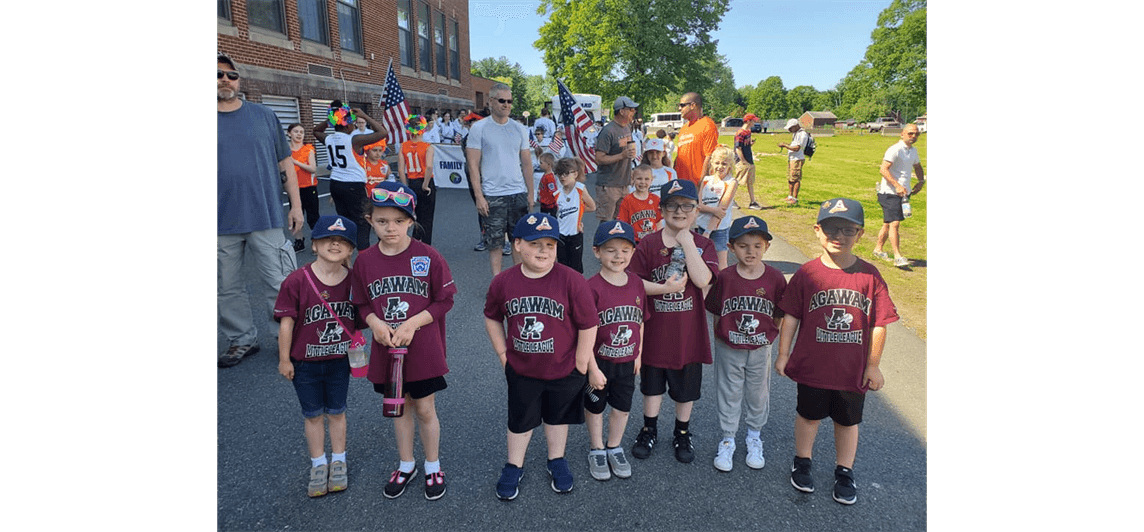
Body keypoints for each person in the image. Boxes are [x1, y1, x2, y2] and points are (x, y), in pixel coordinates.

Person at [775, 198, 899, 506]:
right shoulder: (807, 273)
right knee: (808, 416)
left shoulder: (869, 277)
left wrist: (873, 365)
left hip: (852, 369)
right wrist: (782, 353)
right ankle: (802, 461)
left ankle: (844, 470)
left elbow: (879, 324)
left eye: (847, 229)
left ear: (860, 234)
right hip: (814, 364)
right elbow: (791, 315)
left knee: (847, 421)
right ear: (817, 230)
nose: (838, 235)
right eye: (831, 227)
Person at [352, 182, 457, 501]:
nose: (390, 228)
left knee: (424, 407)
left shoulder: (428, 256)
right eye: (382, 221)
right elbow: (361, 304)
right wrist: (373, 322)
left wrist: (413, 322)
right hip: (387, 349)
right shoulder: (365, 261)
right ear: (370, 221)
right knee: (399, 409)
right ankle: (406, 463)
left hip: (422, 348)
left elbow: (445, 300)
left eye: (398, 221)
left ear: (411, 220)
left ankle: (433, 464)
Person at [484, 213, 598, 500]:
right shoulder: (504, 282)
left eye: (550, 244)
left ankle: (556, 459)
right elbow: (492, 317)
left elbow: (588, 323)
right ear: (518, 244)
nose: (544, 250)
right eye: (536, 244)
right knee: (520, 419)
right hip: (522, 369)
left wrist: (582, 361)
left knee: (557, 417)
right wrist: (502, 353)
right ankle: (514, 464)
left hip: (564, 368)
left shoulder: (571, 280)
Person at [217, 52, 305, 368]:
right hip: (219, 221)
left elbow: (286, 164)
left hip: (265, 214)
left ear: (239, 81)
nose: (225, 80)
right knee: (226, 288)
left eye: (231, 75)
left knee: (279, 282)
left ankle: (290, 338)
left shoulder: (264, 116)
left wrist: (296, 205)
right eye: (218, 74)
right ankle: (242, 340)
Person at [628, 179, 718, 464]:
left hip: (687, 334)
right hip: (655, 330)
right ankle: (649, 428)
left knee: (684, 389)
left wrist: (687, 241)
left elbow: (703, 280)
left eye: (687, 207)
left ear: (695, 210)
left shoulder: (703, 244)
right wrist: (664, 289)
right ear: (662, 209)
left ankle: (682, 431)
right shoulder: (648, 244)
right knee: (652, 387)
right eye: (672, 206)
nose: (679, 212)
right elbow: (633, 284)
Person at [273, 214, 360, 497]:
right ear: (314, 245)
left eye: (343, 241)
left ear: (350, 250)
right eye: (327, 239)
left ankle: (339, 460)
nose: (334, 244)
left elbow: (364, 317)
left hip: (338, 361)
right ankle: (318, 463)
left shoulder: (353, 282)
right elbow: (286, 323)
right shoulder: (297, 280)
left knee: (337, 412)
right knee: (312, 416)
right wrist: (284, 359)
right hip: (305, 363)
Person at [703, 215, 786, 473]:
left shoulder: (775, 278)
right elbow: (717, 309)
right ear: (730, 247)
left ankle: (753, 435)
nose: (750, 251)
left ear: (767, 247)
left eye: (757, 245)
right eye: (743, 246)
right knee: (728, 391)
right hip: (729, 346)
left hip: (760, 346)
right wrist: (721, 335)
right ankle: (728, 437)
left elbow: (779, 314)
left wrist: (770, 337)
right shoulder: (725, 277)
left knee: (757, 393)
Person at [584, 221, 649, 481]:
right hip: (599, 361)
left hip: (627, 361)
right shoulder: (590, 288)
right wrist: (591, 368)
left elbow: (640, 322)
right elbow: (584, 332)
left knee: (622, 408)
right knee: (596, 407)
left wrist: (639, 354)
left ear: (633, 252)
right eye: (610, 250)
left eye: (625, 249)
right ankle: (597, 447)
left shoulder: (636, 284)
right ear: (597, 252)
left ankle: (614, 445)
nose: (618, 256)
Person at [466, 83, 535, 276]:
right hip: (493, 194)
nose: (506, 105)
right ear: (491, 102)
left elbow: (527, 163)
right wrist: (479, 196)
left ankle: (517, 281)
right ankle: (498, 283)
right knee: (495, 243)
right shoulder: (479, 128)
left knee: (518, 241)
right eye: (502, 100)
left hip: (518, 193)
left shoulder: (520, 129)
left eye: (510, 101)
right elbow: (473, 165)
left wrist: (531, 193)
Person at [313, 101, 388, 251]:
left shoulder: (329, 139)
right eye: (352, 123)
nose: (354, 126)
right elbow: (382, 133)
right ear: (347, 126)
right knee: (362, 222)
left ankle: (345, 254)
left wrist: (331, 119)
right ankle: (364, 257)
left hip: (335, 183)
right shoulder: (354, 140)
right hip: (353, 184)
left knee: (345, 221)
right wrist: (364, 115)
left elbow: (316, 130)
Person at [872, 124, 925, 268]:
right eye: (910, 133)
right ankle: (897, 256)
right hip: (889, 193)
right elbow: (883, 169)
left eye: (916, 134)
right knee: (894, 223)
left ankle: (878, 249)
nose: (913, 136)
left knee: (888, 223)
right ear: (902, 134)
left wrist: (921, 182)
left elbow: (918, 167)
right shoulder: (895, 150)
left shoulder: (913, 151)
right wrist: (896, 186)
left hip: (904, 193)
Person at [695, 145, 744, 270]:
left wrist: (708, 232)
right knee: (703, 260)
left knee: (721, 263)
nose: (720, 167)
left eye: (724, 164)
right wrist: (713, 210)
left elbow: (722, 210)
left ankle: (723, 286)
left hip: (719, 229)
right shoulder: (706, 180)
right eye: (717, 163)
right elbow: (698, 205)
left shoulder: (731, 182)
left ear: (730, 165)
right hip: (702, 225)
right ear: (712, 163)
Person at [594, 96, 640, 222]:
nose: (634, 112)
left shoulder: (627, 127)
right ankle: (600, 243)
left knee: (621, 221)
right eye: (631, 109)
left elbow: (626, 150)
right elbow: (599, 158)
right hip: (608, 185)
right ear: (622, 111)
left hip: (624, 184)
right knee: (606, 223)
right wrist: (622, 156)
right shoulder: (608, 131)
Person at [398, 115, 438, 245]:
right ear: (423, 129)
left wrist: (406, 187)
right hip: (424, 182)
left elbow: (400, 170)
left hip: (412, 182)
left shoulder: (403, 146)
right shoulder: (428, 147)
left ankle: (414, 243)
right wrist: (426, 185)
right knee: (427, 218)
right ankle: (425, 247)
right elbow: (429, 166)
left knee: (415, 217)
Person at [553, 157, 596, 273]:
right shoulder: (557, 194)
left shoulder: (580, 189)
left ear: (575, 174)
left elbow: (592, 207)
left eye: (566, 173)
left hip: (575, 234)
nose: (562, 177)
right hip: (560, 235)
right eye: (559, 174)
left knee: (576, 266)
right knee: (562, 265)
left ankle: (577, 289)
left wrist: (579, 213)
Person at [673, 93, 718, 187]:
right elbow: (679, 156)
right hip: (680, 183)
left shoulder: (707, 125)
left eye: (682, 105)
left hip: (696, 184)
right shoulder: (684, 128)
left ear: (693, 105)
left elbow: (709, 157)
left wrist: (701, 185)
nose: (679, 109)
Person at [287, 123, 320, 252]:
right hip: (293, 188)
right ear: (289, 133)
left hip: (308, 187)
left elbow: (312, 168)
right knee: (295, 216)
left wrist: (295, 162)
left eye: (302, 132)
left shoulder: (308, 149)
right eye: (296, 131)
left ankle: (316, 242)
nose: (299, 134)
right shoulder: (286, 151)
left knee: (313, 216)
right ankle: (299, 241)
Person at [617, 165, 662, 243]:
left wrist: (660, 240)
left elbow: (658, 222)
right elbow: (623, 224)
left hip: (652, 241)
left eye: (646, 179)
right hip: (635, 241)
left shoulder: (656, 199)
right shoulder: (627, 200)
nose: (643, 182)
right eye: (639, 178)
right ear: (633, 179)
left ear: (652, 180)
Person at [778, 118, 809, 205]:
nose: (789, 130)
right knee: (790, 178)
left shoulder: (802, 134)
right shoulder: (795, 134)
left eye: (790, 128)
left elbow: (797, 148)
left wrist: (785, 145)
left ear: (796, 126)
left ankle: (795, 198)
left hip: (797, 158)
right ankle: (790, 196)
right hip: (792, 158)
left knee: (795, 178)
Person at [735, 114, 762, 210]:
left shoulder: (748, 132)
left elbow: (746, 145)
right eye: (753, 121)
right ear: (748, 121)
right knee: (736, 182)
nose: (754, 122)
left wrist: (750, 144)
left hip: (750, 160)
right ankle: (730, 200)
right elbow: (738, 148)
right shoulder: (740, 133)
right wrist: (743, 161)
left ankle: (752, 202)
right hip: (742, 161)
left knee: (750, 182)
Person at [536, 152, 559, 218]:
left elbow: (552, 191)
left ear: (548, 165)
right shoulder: (545, 175)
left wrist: (554, 201)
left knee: (550, 219)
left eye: (541, 163)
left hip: (549, 204)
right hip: (544, 202)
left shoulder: (549, 178)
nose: (540, 165)